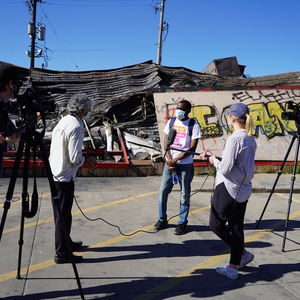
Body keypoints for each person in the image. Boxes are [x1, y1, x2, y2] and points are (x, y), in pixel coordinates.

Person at [200, 102, 257, 280]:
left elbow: (225, 168)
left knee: (215, 225)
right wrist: (217, 158)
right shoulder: (249, 137)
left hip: (228, 188)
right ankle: (237, 262)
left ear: (232, 118)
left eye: (228, 116)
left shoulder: (234, 139)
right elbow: (235, 163)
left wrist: (212, 160)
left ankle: (238, 258)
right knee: (236, 227)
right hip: (243, 188)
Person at [49, 93, 97, 264]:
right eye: (88, 109)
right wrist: (88, 160)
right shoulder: (76, 125)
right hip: (64, 176)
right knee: (63, 215)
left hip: (55, 172)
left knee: (61, 214)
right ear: (82, 109)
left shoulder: (63, 121)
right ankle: (62, 253)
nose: (89, 111)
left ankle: (66, 243)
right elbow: (75, 158)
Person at [154, 100, 201, 235]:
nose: (178, 111)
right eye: (177, 108)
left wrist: (176, 160)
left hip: (185, 165)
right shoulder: (172, 122)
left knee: (184, 194)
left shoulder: (193, 125)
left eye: (181, 109)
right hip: (169, 163)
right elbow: (166, 142)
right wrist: (169, 160)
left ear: (188, 111)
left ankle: (182, 222)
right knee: (162, 191)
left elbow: (192, 147)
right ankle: (162, 219)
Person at [0, 62, 27, 177]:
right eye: (18, 84)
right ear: (11, 84)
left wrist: (33, 119)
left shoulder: (2, 109)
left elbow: (14, 137)